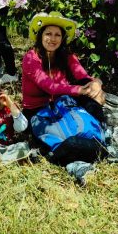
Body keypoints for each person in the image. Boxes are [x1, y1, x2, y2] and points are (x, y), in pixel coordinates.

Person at [21, 12, 111, 185]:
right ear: (40, 36)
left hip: (62, 103)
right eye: (48, 34)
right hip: (38, 110)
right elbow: (49, 86)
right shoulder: (31, 58)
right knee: (58, 133)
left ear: (62, 39)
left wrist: (96, 83)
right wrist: (79, 89)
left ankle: (101, 134)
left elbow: (83, 77)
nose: (52, 39)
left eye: (57, 35)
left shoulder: (67, 55)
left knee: (93, 97)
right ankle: (79, 151)